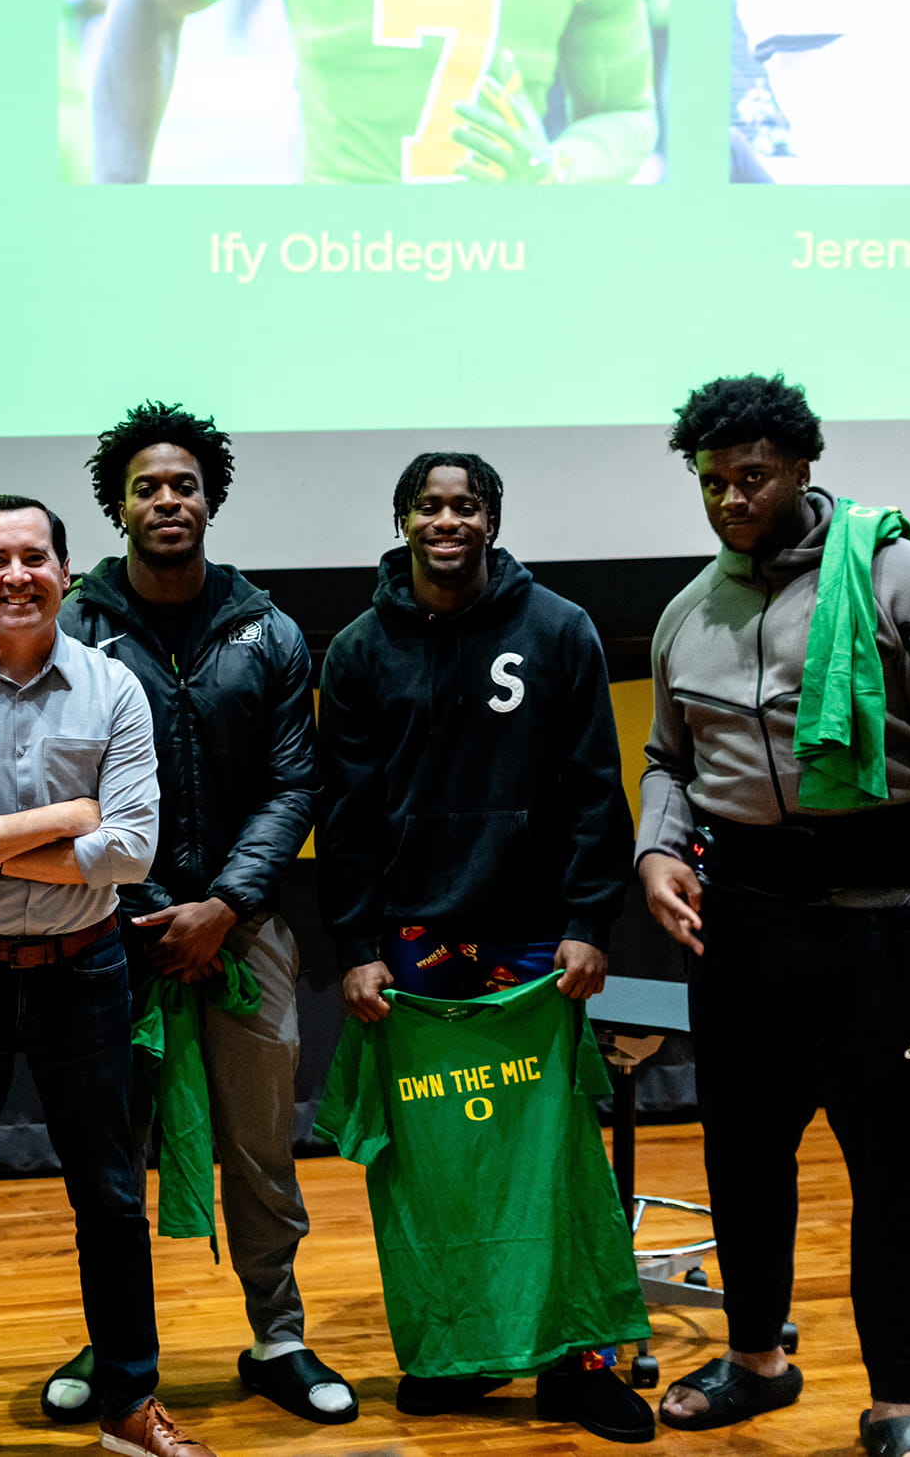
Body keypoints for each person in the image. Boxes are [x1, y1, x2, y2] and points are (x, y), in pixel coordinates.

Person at [639, 375, 910, 1457]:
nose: (730, 501)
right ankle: (757, 1360)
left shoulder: (900, 579)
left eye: (750, 477)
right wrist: (657, 847)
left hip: (884, 925)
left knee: (891, 1171)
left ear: (800, 466)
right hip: (744, 931)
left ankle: (897, 1400)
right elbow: (667, 758)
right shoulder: (686, 613)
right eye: (711, 484)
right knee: (742, 1157)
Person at [0, 494, 220, 1457]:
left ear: (66, 571)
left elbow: (136, 851)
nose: (16, 575)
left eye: (35, 557)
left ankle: (129, 1404)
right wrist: (71, 818)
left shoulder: (113, 688)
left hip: (84, 970)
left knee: (110, 1197)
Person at [315, 451, 653, 1443]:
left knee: (548, 1163)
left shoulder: (558, 630)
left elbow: (595, 787)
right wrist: (356, 946)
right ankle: (461, 1350)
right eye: (430, 506)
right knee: (439, 1166)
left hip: (533, 943)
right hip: (415, 944)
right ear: (403, 520)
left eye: (465, 506)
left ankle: (575, 1363)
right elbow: (346, 816)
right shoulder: (360, 650)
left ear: (492, 520)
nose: (446, 522)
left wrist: (592, 924)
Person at [43, 401, 354, 1426]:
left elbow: (292, 784)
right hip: (104, 933)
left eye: (182, 483)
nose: (166, 499)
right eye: (146, 486)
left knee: (261, 1149)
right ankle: (114, 1343)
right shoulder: (77, 626)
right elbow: (63, 778)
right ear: (116, 506)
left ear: (209, 497)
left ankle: (280, 1336)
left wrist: (221, 904)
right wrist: (149, 904)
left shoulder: (265, 628)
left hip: (244, 928)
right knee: (109, 1157)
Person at [92, 0, 658, 184]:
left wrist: (554, 169)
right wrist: (117, 205)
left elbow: (626, 113)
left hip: (509, 256)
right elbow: (153, 0)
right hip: (337, 254)